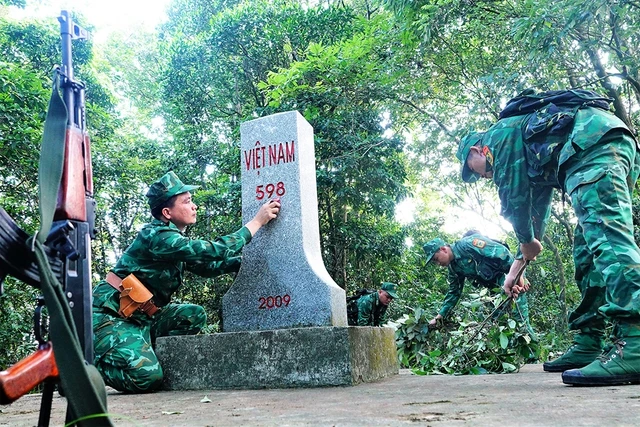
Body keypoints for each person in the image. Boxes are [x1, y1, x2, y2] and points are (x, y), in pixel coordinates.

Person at [456, 97, 640, 386]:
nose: (482, 176)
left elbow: (514, 198)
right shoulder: (522, 146)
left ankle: (635, 342)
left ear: (477, 150)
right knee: (587, 253)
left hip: (592, 147)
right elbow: (535, 208)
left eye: (474, 168)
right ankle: (589, 341)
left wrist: (526, 241)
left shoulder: (498, 136)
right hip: (598, 146)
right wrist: (518, 266)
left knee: (608, 241)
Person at [92, 171, 280, 393]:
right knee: (146, 377)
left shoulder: (173, 241)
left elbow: (207, 267)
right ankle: (79, 368)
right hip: (111, 317)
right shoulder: (159, 237)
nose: (194, 206)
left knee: (193, 316)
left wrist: (243, 263)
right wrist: (257, 222)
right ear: (167, 212)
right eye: (187, 201)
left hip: (141, 317)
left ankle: (141, 352)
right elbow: (214, 250)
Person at [422, 233, 536, 338]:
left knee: (520, 321)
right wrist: (440, 317)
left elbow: (503, 253)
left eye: (436, 259)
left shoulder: (468, 244)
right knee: (499, 324)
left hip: (509, 278)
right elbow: (454, 293)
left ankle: (534, 357)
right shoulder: (453, 269)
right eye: (434, 262)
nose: (438, 264)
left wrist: (520, 276)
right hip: (494, 291)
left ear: (443, 249)